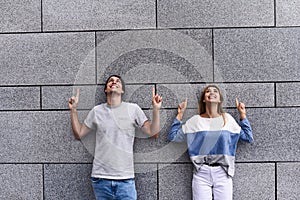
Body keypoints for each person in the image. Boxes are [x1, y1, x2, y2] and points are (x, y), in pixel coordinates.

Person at [68, 75, 162, 200]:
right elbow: (79, 134)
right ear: (106, 90)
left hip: (125, 179)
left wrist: (156, 109)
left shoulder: (133, 109)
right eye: (110, 81)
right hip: (101, 179)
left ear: (122, 90)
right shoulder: (97, 111)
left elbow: (153, 132)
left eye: (118, 81)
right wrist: (73, 110)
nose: (114, 82)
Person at [168, 85, 253, 200]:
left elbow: (248, 137)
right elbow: (173, 137)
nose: (211, 93)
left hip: (223, 172)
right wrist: (179, 114)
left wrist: (242, 115)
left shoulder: (227, 119)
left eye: (215, 91)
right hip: (201, 172)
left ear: (219, 99)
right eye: (208, 91)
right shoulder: (195, 121)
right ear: (204, 99)